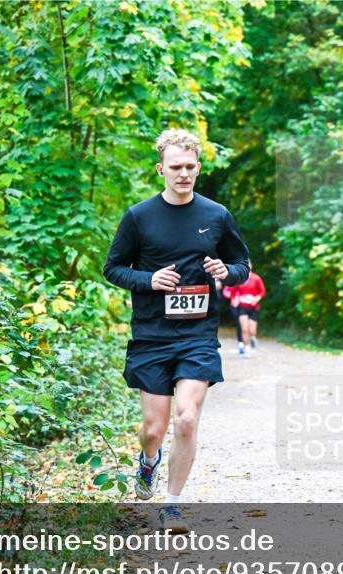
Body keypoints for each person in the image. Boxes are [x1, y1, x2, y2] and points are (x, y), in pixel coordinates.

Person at [103, 128, 250, 532]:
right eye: (175, 167)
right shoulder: (139, 216)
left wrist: (227, 270)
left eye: (189, 167)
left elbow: (242, 267)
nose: (183, 174)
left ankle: (173, 504)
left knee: (186, 418)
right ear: (161, 169)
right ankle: (148, 460)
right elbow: (113, 268)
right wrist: (150, 281)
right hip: (151, 335)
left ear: (198, 168)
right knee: (154, 429)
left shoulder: (216, 215)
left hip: (197, 336)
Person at [230, 262, 266, 355]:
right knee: (244, 328)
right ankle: (247, 348)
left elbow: (262, 292)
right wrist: (235, 299)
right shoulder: (240, 279)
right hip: (243, 306)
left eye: (248, 266)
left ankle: (253, 338)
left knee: (252, 330)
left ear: (251, 266)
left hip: (254, 307)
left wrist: (256, 298)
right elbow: (233, 292)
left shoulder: (256, 278)